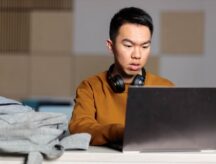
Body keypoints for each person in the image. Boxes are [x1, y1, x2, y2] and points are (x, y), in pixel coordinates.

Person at [69, 7, 174, 146]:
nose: (137, 55)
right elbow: (78, 128)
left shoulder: (165, 87)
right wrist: (118, 132)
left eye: (144, 46)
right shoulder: (90, 87)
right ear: (110, 46)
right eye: (129, 45)